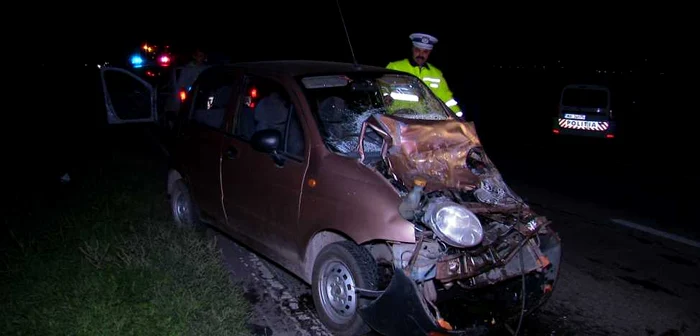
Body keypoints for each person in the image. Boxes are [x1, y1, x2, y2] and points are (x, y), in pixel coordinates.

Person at [386, 33, 464, 118]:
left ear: (430, 53)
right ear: (412, 49)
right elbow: (382, 89)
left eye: (425, 52)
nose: (420, 54)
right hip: (398, 116)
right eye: (417, 50)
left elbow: (447, 99)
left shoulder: (436, 74)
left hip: (426, 119)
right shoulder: (395, 67)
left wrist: (459, 117)